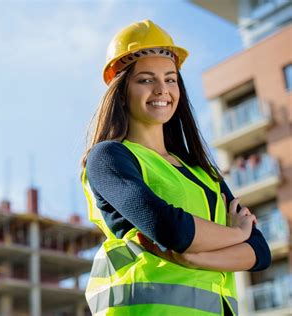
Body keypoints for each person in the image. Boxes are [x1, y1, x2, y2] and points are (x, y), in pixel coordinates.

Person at [80, 20, 271, 316]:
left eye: (170, 79)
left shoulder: (203, 173)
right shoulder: (108, 158)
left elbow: (260, 251)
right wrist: (233, 235)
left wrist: (197, 258)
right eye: (146, 80)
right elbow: (168, 228)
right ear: (121, 89)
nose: (162, 90)